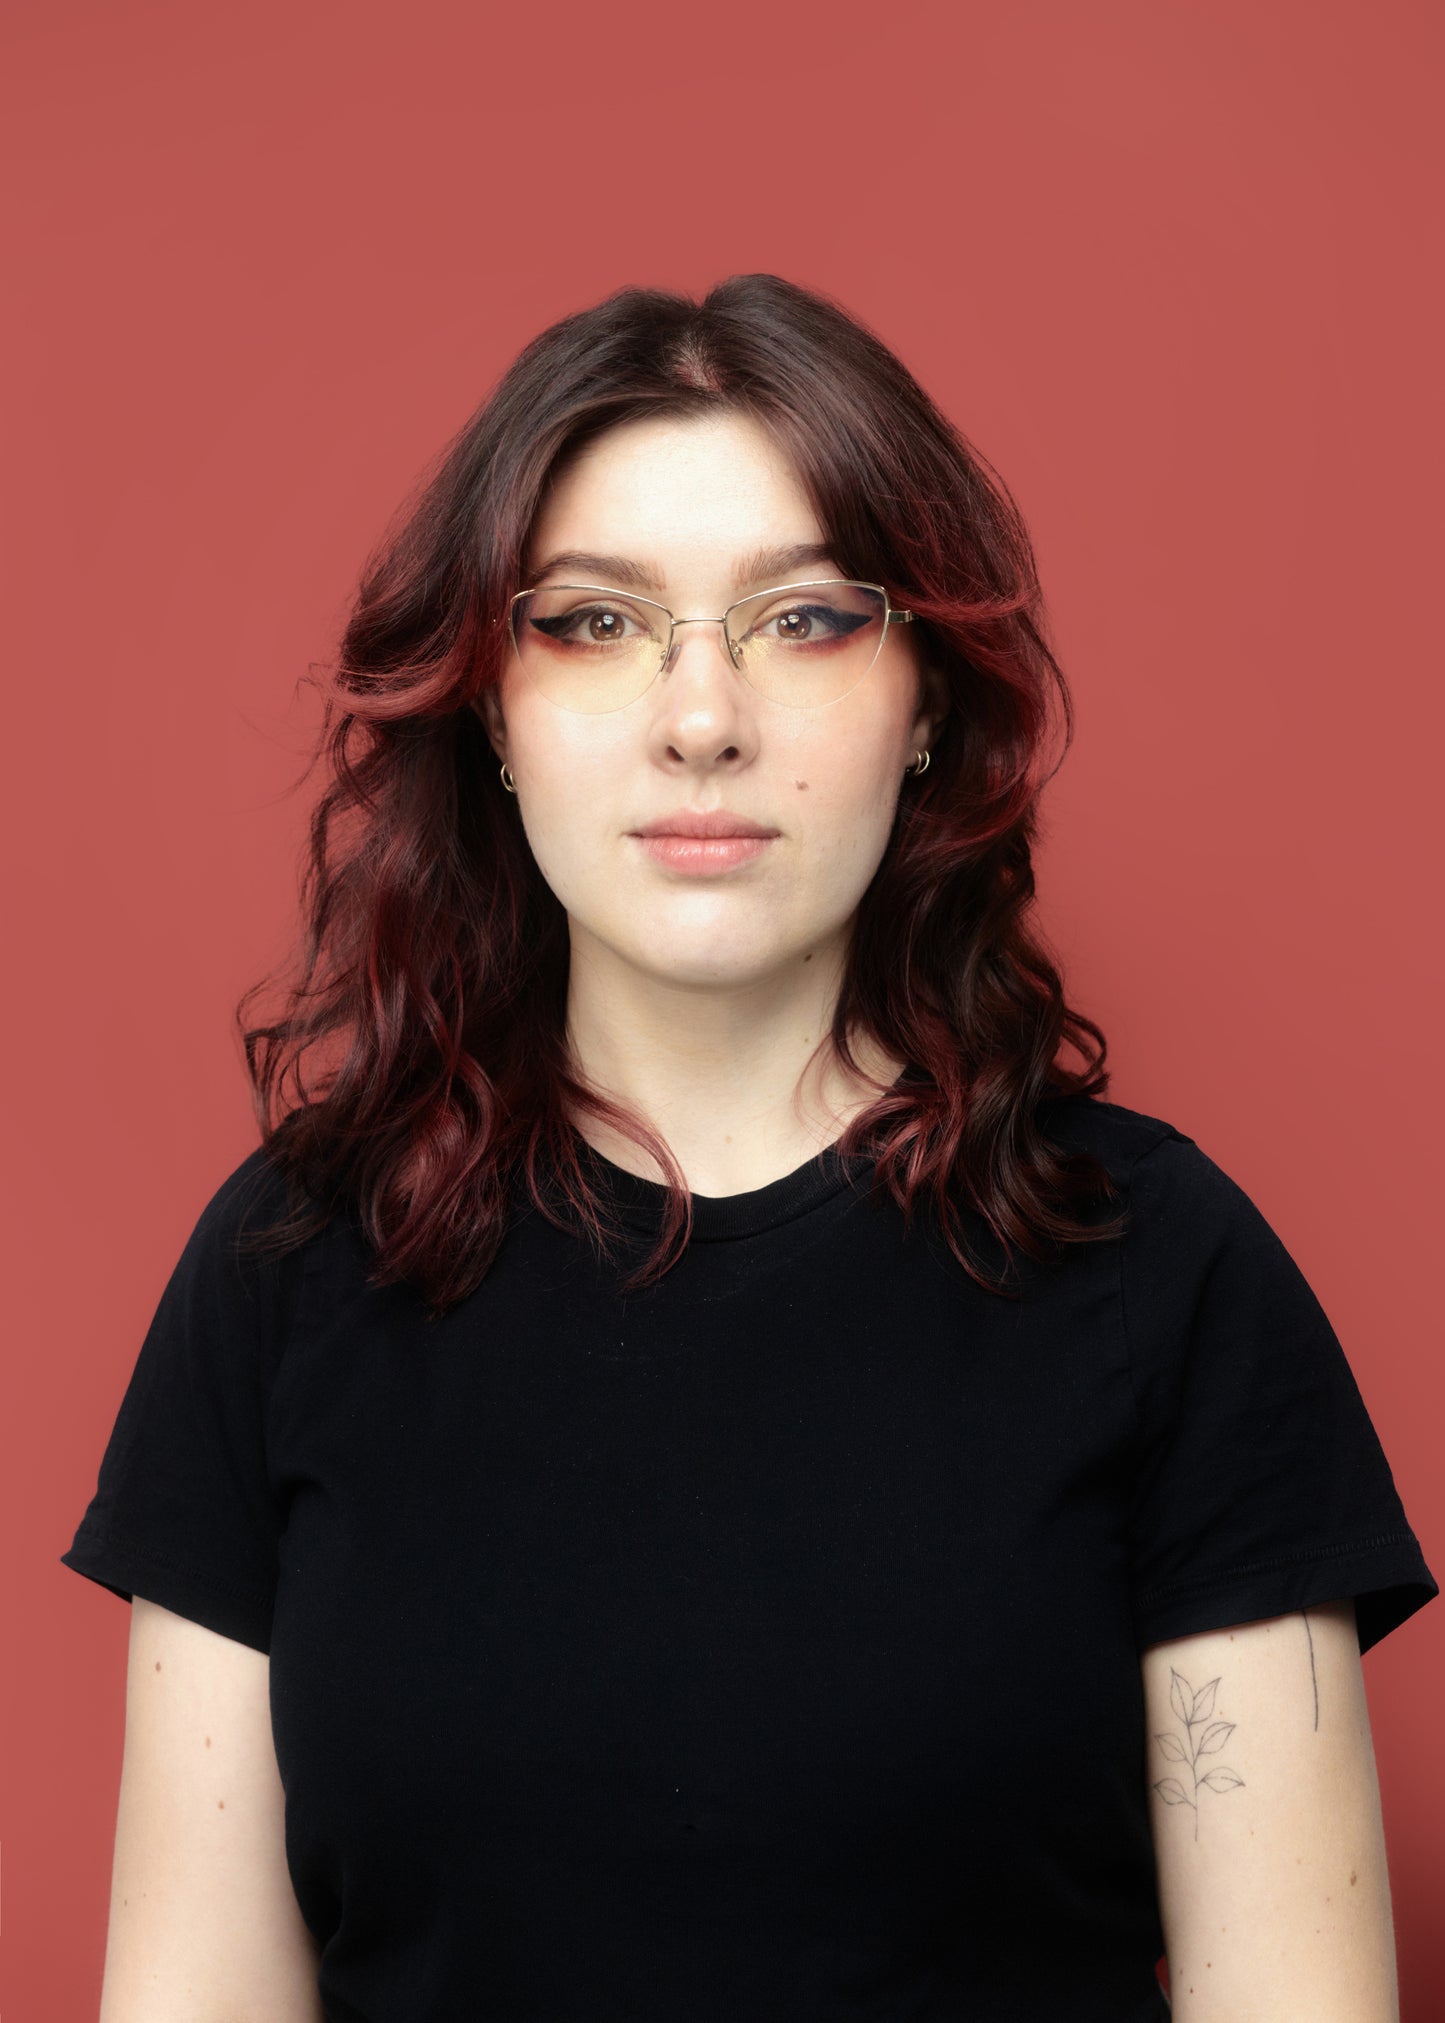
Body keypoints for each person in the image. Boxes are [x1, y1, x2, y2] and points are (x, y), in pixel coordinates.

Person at [61, 274, 1436, 2023]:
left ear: (928, 696)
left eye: (802, 620)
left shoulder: (1160, 1271)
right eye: (594, 623)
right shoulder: (287, 1271)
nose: (698, 716)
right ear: (489, 708)